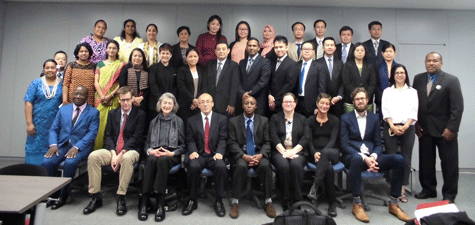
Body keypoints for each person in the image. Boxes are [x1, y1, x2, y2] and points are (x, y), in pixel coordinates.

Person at [340, 87, 410, 223]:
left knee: (399, 159)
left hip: (372, 157)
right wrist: (364, 157)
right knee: (355, 158)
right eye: (357, 99)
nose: (360, 101)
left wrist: (373, 157)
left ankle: (394, 203)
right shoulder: (345, 118)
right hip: (354, 157)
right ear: (353, 102)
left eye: (363, 99)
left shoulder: (374, 118)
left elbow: (378, 143)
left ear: (367, 101)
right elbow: (344, 145)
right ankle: (357, 203)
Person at [83, 86, 145, 216]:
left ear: (133, 99)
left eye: (128, 99)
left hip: (130, 150)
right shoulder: (113, 113)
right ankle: (95, 196)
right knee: (93, 156)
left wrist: (120, 154)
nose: (125, 103)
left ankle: (121, 197)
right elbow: (108, 135)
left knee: (127, 159)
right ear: (118, 100)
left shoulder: (140, 114)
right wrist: (112, 154)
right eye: (122, 100)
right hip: (112, 150)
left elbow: (137, 138)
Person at [413, 52, 464, 203]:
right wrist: (416, 123)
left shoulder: (451, 80)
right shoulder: (418, 78)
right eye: (428, 60)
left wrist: (452, 128)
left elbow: (457, 107)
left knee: (449, 164)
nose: (431, 63)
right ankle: (428, 190)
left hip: (445, 130)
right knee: (426, 162)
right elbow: (414, 103)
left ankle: (449, 195)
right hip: (425, 129)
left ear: (441, 63)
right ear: (425, 62)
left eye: (435, 61)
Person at [42, 86, 99, 210]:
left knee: (70, 163)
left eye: (81, 94)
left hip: (81, 147)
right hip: (62, 144)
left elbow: (92, 133)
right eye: (76, 94)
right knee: (47, 162)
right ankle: (53, 194)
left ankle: (63, 194)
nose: (78, 96)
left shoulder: (94, 112)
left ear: (87, 97)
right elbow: (54, 129)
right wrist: (53, 145)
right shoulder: (64, 109)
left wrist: (77, 147)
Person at [139, 93, 185, 222]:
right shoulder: (153, 121)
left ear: (174, 106)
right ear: (160, 104)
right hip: (155, 153)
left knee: (163, 160)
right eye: (164, 103)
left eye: (170, 103)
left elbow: (183, 146)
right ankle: (144, 202)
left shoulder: (179, 121)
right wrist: (150, 151)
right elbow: (147, 143)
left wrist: (172, 153)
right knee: (151, 160)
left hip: (171, 155)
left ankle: (160, 203)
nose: (167, 105)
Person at [228, 95, 276, 219]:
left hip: (258, 153)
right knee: (240, 166)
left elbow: (267, 142)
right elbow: (232, 143)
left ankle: (268, 201)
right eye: (246, 103)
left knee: (265, 166)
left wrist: (260, 155)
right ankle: (235, 202)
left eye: (252, 103)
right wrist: (243, 156)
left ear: (256, 106)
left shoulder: (264, 120)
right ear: (243, 105)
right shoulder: (233, 121)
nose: (249, 106)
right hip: (242, 154)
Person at [183, 93, 228, 217]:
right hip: (199, 154)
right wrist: (192, 151)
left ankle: (219, 200)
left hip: (214, 154)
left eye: (208, 101)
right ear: (198, 105)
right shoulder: (191, 120)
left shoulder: (221, 119)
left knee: (221, 167)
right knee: (193, 167)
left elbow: (223, 139)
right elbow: (190, 140)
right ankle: (192, 199)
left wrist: (220, 152)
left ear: (213, 103)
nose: (205, 104)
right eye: (202, 102)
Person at [381, 64, 418, 203]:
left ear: (406, 75)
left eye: (402, 72)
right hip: (390, 127)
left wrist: (406, 126)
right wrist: (392, 126)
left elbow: (414, 111)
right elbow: (385, 110)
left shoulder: (412, 91)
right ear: (393, 75)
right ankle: (392, 187)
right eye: (397, 72)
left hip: (408, 128)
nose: (400, 75)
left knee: (406, 158)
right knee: (391, 157)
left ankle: (402, 189)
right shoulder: (387, 91)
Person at [270, 93, 309, 211]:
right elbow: (274, 137)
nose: (288, 104)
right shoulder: (275, 118)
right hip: (279, 151)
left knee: (296, 166)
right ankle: (286, 199)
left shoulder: (302, 118)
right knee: (283, 166)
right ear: (281, 104)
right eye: (285, 102)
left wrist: (292, 151)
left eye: (291, 102)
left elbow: (306, 138)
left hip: (298, 151)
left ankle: (297, 199)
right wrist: (284, 152)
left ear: (295, 104)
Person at [24, 59, 62, 165]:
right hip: (37, 124)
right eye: (47, 68)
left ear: (56, 69)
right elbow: (28, 103)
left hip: (55, 124)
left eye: (52, 67)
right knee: (34, 151)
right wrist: (29, 123)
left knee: (52, 154)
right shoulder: (36, 83)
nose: (50, 70)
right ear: (44, 69)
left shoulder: (63, 84)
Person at [307, 93, 339, 217]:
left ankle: (315, 186)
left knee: (326, 154)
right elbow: (308, 140)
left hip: (332, 152)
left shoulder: (335, 120)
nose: (324, 106)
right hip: (315, 154)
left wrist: (322, 153)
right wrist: (314, 153)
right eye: (322, 103)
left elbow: (333, 140)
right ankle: (332, 203)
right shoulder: (310, 120)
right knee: (329, 168)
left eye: (327, 104)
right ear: (317, 104)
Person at [93, 40, 122, 150]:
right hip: (100, 99)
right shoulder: (100, 64)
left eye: (114, 48)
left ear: (117, 50)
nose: (111, 50)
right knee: (99, 125)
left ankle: (111, 151)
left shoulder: (120, 65)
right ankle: (97, 150)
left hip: (114, 99)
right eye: (109, 48)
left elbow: (121, 83)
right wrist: (102, 96)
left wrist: (111, 96)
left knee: (113, 125)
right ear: (106, 49)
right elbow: (96, 82)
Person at [203, 41, 239, 116]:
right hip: (210, 103)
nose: (221, 51)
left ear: (228, 51)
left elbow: (234, 86)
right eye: (218, 49)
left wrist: (231, 104)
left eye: (223, 49)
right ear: (215, 51)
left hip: (226, 104)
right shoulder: (209, 64)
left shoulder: (233, 66)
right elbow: (205, 84)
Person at [238, 37, 271, 115]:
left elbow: (263, 81)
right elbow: (238, 80)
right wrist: (242, 93)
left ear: (258, 48)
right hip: (243, 100)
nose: (251, 48)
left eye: (254, 46)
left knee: (258, 125)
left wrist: (250, 94)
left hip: (258, 100)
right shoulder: (242, 62)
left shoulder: (265, 62)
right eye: (249, 45)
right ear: (246, 47)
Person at [293, 41, 326, 117]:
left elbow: (322, 88)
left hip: (312, 103)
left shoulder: (319, 67)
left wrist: (318, 105)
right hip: (297, 103)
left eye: (309, 49)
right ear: (301, 51)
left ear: (313, 52)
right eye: (304, 49)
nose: (307, 51)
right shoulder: (295, 65)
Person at [341, 43, 376, 111]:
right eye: (357, 50)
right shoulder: (347, 65)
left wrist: (365, 96)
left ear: (365, 52)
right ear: (353, 52)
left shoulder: (370, 66)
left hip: (366, 101)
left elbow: (372, 83)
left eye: (362, 50)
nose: (360, 52)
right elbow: (346, 83)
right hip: (351, 100)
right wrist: (356, 95)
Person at [268, 35, 297, 115]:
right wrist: (269, 95)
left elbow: (289, 85)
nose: (278, 50)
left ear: (286, 47)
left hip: (284, 103)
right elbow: (268, 81)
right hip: (270, 102)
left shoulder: (292, 64)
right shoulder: (271, 62)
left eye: (281, 47)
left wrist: (275, 101)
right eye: (276, 47)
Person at [316, 37, 344, 118]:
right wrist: (323, 98)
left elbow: (343, 82)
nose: (330, 47)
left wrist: (339, 96)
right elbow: (316, 83)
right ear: (323, 47)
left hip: (337, 102)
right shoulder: (317, 63)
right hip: (322, 103)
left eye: (332, 45)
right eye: (327, 45)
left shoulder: (340, 63)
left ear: (335, 48)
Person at [118, 48, 149, 117]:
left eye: (140, 56)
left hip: (143, 102)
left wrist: (141, 98)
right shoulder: (126, 69)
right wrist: (133, 99)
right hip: (128, 102)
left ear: (143, 58)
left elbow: (149, 88)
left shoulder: (146, 70)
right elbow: (122, 86)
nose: (137, 58)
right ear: (131, 57)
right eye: (135, 56)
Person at [149, 43, 176, 119]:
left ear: (170, 55)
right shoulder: (153, 68)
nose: (165, 55)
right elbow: (153, 85)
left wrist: (170, 99)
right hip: (156, 103)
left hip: (170, 104)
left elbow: (176, 86)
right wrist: (162, 99)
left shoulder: (174, 69)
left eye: (167, 53)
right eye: (163, 53)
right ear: (159, 54)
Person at [176, 48, 204, 120]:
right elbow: (181, 87)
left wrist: (197, 100)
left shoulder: (201, 70)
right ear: (186, 58)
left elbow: (203, 87)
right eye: (190, 56)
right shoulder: (181, 70)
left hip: (198, 104)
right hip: (185, 104)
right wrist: (192, 99)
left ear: (198, 57)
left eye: (195, 56)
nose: (193, 58)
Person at [375, 43, 397, 113]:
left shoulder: (398, 67)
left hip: (396, 99)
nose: (388, 54)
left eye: (390, 51)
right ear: (382, 53)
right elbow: (375, 84)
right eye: (386, 51)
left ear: (395, 53)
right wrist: (382, 97)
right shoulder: (377, 67)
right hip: (381, 99)